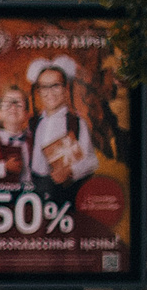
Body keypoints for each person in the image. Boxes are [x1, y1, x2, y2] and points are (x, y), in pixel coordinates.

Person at [27, 57, 99, 196]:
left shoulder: (75, 123)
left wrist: (70, 171)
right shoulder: (34, 122)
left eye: (56, 86)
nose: (50, 93)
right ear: (39, 91)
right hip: (35, 190)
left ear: (66, 88)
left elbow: (91, 161)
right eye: (44, 87)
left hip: (64, 192)